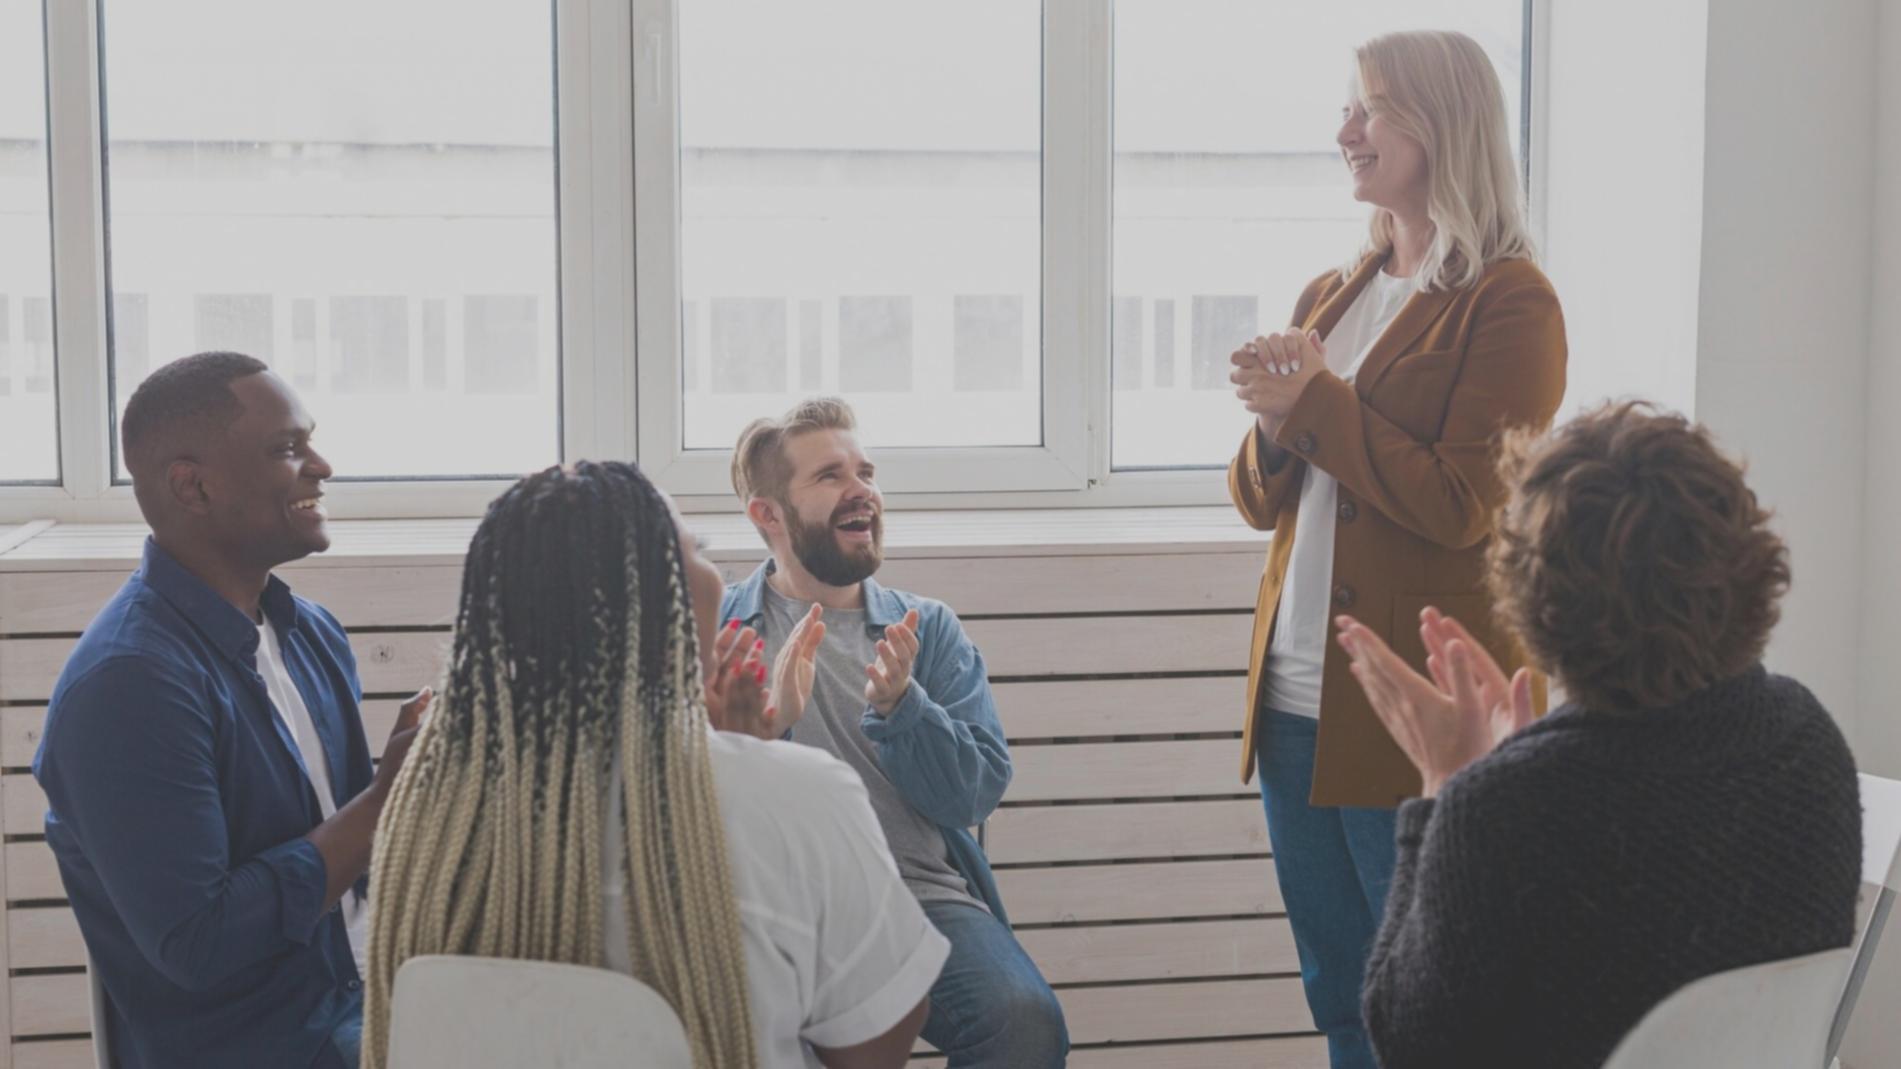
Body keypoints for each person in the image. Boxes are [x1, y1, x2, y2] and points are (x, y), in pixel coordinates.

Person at [1223, 29, 1567, 1068]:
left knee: (1432, 1008)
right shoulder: (1334, 290)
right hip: (1293, 698)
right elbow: (1255, 498)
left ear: (1438, 123)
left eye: (1367, 109)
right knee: (1341, 993)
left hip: (1419, 706)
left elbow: (1466, 503)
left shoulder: (1510, 300)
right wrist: (1273, 420)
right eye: (1347, 109)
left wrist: (1315, 402)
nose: (1345, 133)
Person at [363, 460, 947, 1069]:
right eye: (695, 548)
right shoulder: (791, 796)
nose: (713, 569)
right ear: (656, 598)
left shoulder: (427, 812)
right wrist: (749, 762)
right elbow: (876, 1044)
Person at [1337, 403, 1862, 1069]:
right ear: (1745, 561)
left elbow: (1408, 1046)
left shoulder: (1500, 811)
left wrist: (1444, 787)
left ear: (1536, 597)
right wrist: (1510, 770)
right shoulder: (1805, 740)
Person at [32, 352, 430, 1069]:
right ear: (194, 486)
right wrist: (379, 805)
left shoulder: (311, 632)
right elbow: (201, 940)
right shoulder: (129, 686)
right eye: (286, 448)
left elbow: (347, 873)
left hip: (365, 1007)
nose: (321, 465)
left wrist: (420, 795)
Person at [723, 398, 1068, 1069]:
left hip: (913, 899)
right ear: (767, 514)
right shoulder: (722, 628)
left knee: (1022, 1022)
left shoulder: (924, 627)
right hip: (767, 906)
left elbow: (971, 797)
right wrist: (769, 722)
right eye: (829, 475)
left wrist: (903, 705)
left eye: (866, 471)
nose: (862, 491)